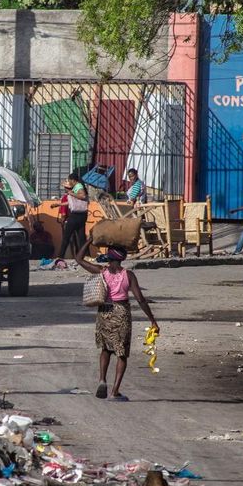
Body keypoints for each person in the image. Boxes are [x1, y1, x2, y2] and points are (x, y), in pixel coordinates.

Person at [75, 237, 159, 401]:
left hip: (104, 312)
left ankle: (102, 380)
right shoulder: (128, 275)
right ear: (122, 258)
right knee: (121, 354)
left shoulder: (102, 271)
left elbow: (78, 259)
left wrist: (89, 241)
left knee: (105, 349)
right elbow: (141, 299)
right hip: (121, 313)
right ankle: (114, 392)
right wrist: (152, 320)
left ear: (109, 257)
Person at [57, 172, 89, 259]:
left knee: (66, 237)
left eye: (69, 180)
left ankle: (60, 256)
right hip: (82, 215)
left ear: (73, 180)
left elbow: (82, 196)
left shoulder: (78, 186)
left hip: (75, 215)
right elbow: (74, 202)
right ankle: (85, 256)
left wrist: (70, 193)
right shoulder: (78, 186)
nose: (69, 182)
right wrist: (59, 205)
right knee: (81, 237)